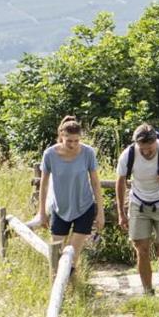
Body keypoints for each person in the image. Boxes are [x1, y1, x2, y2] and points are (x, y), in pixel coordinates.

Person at [115, 122, 159, 296]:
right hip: (139, 204)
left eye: (150, 148)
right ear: (136, 144)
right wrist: (121, 214)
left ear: (156, 141)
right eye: (143, 148)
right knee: (142, 249)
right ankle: (148, 292)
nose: (147, 152)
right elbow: (120, 181)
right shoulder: (129, 154)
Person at [38, 116, 103, 276]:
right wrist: (42, 213)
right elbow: (43, 185)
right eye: (69, 141)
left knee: (72, 256)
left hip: (84, 207)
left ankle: (69, 289)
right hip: (60, 208)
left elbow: (95, 182)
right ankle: (58, 291)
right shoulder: (49, 154)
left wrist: (100, 212)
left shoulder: (88, 152)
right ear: (62, 136)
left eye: (76, 140)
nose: (73, 144)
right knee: (57, 256)